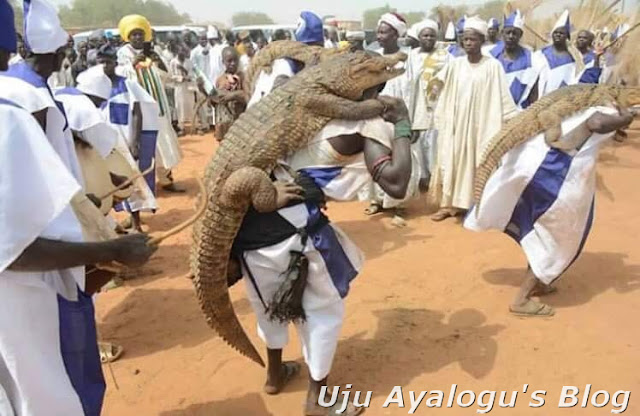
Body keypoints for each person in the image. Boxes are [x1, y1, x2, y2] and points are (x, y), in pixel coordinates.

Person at [0, 3, 156, 414]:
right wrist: (108, 251)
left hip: (42, 253)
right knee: (46, 389)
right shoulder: (16, 108)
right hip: (23, 293)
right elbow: (15, 250)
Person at [232, 89, 412, 416]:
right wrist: (401, 124)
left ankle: (274, 375)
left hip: (247, 232)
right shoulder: (366, 124)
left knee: (268, 305)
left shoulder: (291, 105)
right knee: (322, 312)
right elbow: (397, 185)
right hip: (295, 231)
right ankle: (318, 402)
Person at [465, 100, 636, 317]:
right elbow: (596, 122)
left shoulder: (596, 99)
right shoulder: (608, 109)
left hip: (541, 162)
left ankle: (541, 280)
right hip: (556, 172)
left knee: (543, 229)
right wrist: (624, 119)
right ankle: (522, 299)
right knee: (558, 237)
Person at [429, 16, 518, 221]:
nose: (468, 43)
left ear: (482, 41)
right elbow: (445, 92)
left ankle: (475, 205)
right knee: (452, 158)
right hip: (457, 123)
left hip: (481, 124)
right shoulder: (455, 65)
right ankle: (449, 205)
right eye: (465, 39)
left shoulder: (492, 66)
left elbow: (502, 97)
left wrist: (509, 120)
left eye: (473, 39)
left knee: (477, 161)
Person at [116, 14, 185, 194]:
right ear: (128, 37)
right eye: (134, 35)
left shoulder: (151, 52)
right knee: (143, 147)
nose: (138, 38)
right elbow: (120, 74)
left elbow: (166, 75)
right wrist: (134, 63)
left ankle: (166, 180)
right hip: (138, 109)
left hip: (157, 107)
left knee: (163, 144)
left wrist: (156, 59)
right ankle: (145, 187)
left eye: (140, 34)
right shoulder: (123, 54)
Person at [362, 12, 417, 226]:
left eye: (384, 32)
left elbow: (416, 92)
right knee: (376, 158)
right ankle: (377, 200)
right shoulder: (374, 57)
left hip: (401, 118)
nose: (380, 35)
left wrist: (413, 124)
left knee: (401, 157)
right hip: (376, 117)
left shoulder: (409, 59)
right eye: (379, 31)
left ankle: (399, 204)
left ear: (396, 35)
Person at [97, 46, 161, 232]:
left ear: (115, 64)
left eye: (107, 62)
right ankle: (115, 221)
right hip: (107, 144)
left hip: (126, 141)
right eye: (100, 62)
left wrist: (135, 141)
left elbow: (137, 113)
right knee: (111, 182)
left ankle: (136, 223)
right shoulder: (95, 87)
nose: (104, 66)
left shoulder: (127, 84)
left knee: (131, 179)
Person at [404, 19, 450, 191]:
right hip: (417, 107)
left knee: (436, 146)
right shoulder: (412, 56)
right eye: (425, 35)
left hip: (438, 107)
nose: (429, 38)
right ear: (419, 37)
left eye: (432, 35)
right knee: (418, 146)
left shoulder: (445, 56)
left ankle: (436, 181)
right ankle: (422, 180)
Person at [248, 11, 325, 108]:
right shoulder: (284, 66)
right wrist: (307, 72)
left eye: (319, 47)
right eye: (311, 46)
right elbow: (277, 98)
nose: (315, 52)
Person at [533, 10, 602, 97]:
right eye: (555, 32)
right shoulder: (539, 55)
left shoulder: (576, 58)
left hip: (564, 102)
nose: (558, 35)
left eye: (561, 33)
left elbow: (584, 82)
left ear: (567, 37)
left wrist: (597, 58)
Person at [489, 10, 538, 109]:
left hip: (522, 115)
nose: (511, 36)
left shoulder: (531, 59)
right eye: (508, 32)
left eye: (515, 33)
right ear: (502, 33)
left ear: (520, 35)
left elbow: (533, 94)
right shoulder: (491, 57)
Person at [213, 46, 247, 142]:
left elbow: (249, 97)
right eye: (229, 61)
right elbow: (213, 101)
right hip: (224, 127)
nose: (233, 63)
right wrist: (202, 88)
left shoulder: (244, 77)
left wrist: (233, 95)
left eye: (235, 60)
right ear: (223, 62)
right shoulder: (220, 80)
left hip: (241, 124)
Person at [169, 46, 195, 136]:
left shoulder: (189, 61)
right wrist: (181, 78)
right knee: (179, 107)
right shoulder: (173, 62)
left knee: (190, 106)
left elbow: (192, 73)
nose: (182, 54)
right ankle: (182, 127)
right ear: (177, 52)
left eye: (184, 52)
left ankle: (193, 127)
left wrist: (184, 71)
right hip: (179, 87)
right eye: (180, 52)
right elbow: (171, 76)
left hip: (188, 87)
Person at [190, 33, 213, 133]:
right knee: (202, 102)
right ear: (198, 40)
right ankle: (204, 124)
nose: (203, 41)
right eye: (201, 39)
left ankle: (212, 123)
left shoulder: (211, 49)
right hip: (201, 80)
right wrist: (199, 78)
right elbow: (193, 66)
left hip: (211, 78)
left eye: (205, 39)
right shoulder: (194, 52)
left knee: (212, 101)